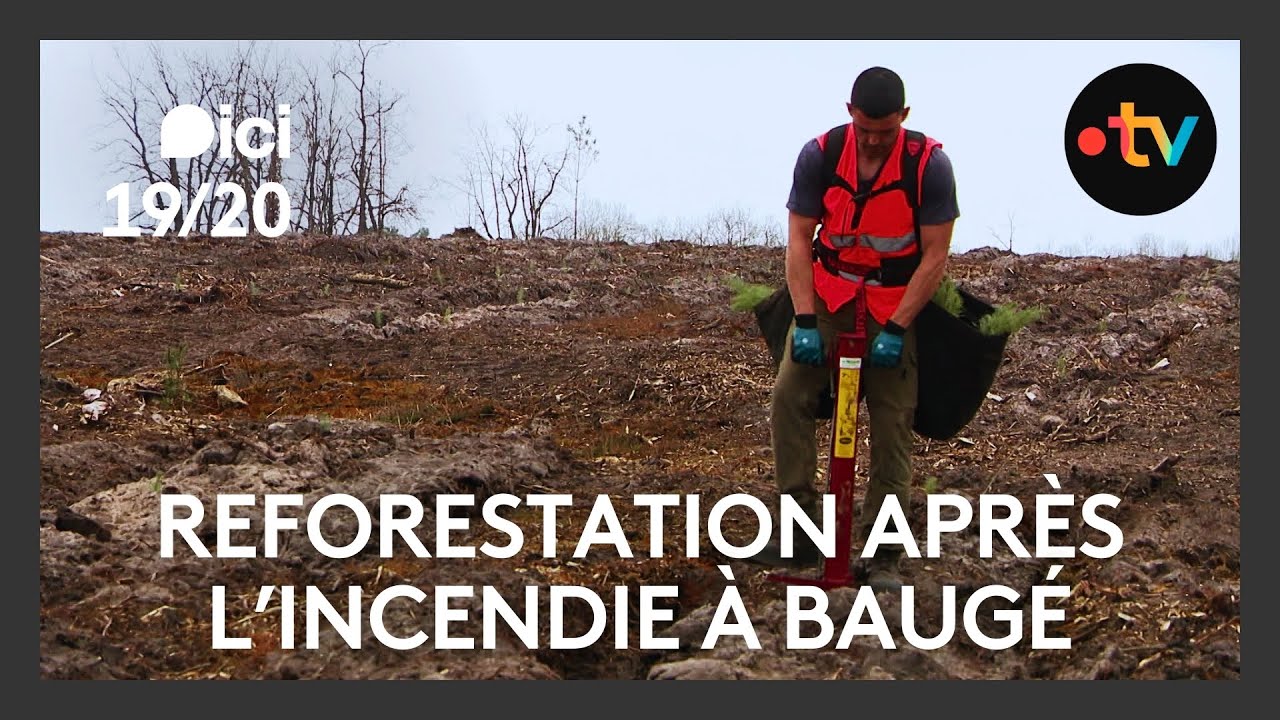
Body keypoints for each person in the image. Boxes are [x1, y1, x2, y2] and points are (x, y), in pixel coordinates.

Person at [747, 66, 960, 592]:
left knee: (893, 421)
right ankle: (799, 533)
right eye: (864, 128)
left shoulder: (929, 165)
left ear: (904, 119)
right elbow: (799, 239)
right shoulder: (820, 155)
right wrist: (803, 319)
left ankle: (883, 553)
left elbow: (935, 255)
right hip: (830, 294)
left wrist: (898, 326)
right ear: (849, 112)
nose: (871, 140)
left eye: (884, 132)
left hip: (895, 302)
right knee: (789, 396)